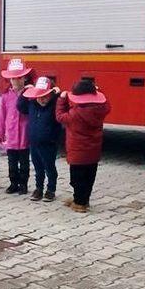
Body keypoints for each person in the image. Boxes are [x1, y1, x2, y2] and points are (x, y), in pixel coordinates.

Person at [55, 80, 111, 213]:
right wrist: (99, 91)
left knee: (77, 179)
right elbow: (106, 103)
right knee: (89, 178)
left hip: (78, 153)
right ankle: (83, 199)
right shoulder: (101, 110)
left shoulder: (75, 114)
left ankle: (79, 203)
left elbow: (59, 116)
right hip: (93, 152)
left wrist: (61, 99)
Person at [18, 77, 62, 202]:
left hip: (49, 144)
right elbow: (20, 106)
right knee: (38, 167)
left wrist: (57, 95)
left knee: (49, 167)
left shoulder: (53, 106)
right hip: (34, 143)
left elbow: (62, 107)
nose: (42, 99)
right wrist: (24, 93)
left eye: (45, 96)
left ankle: (51, 189)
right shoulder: (31, 104)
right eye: (39, 96)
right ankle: (38, 188)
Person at [0, 58, 32, 195]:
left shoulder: (29, 95)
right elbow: (0, 116)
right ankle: (13, 183)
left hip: (24, 135)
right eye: (13, 78)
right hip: (11, 135)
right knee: (12, 162)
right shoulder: (5, 96)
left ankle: (23, 184)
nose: (16, 81)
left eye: (19, 78)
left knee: (24, 162)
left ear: (24, 78)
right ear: (9, 80)